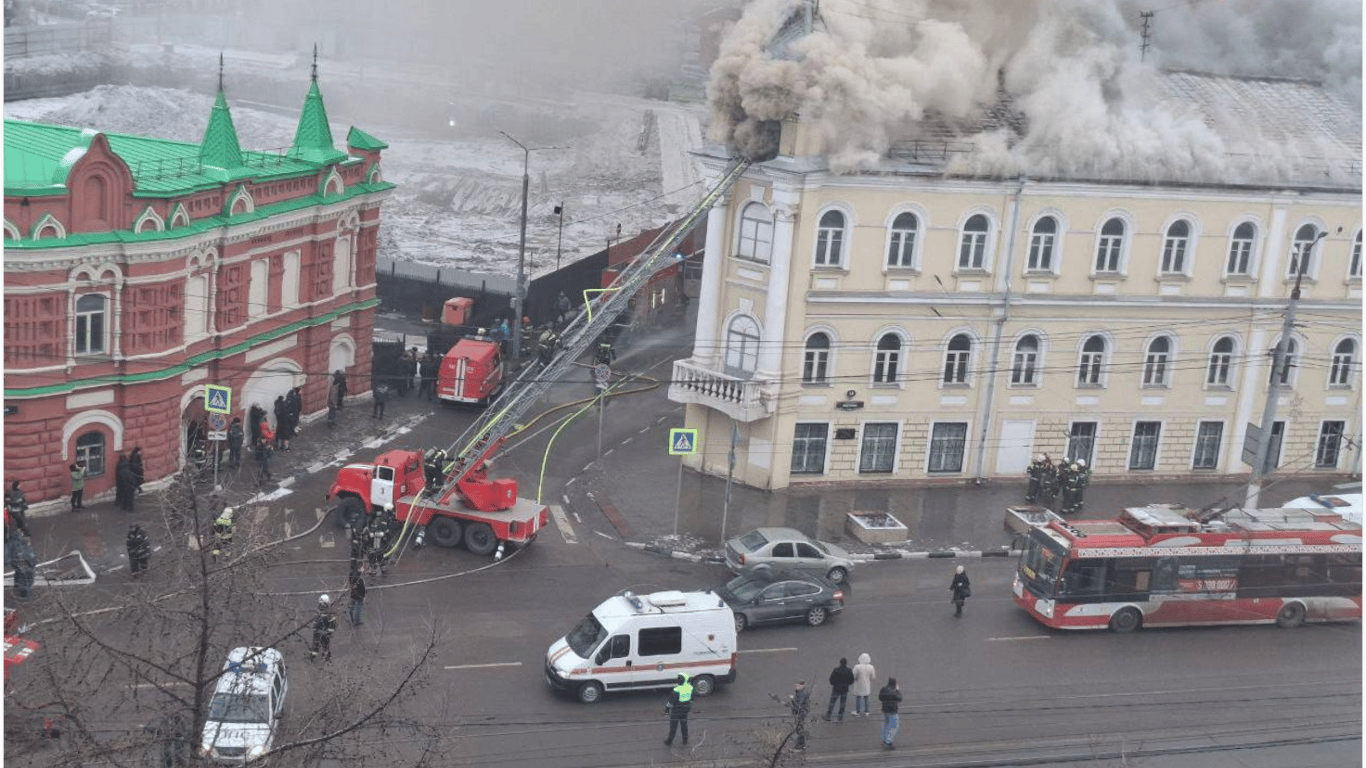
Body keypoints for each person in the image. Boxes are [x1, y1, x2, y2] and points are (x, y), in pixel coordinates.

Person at [663, 672, 692, 747]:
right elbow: (692, 699)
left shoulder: (677, 689)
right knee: (684, 724)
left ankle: (669, 741)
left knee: (673, 726)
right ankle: (685, 740)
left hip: (677, 710)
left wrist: (667, 709)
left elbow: (671, 701)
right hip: (686, 708)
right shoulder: (690, 687)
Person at [309, 594, 339, 662]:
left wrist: (329, 631)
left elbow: (333, 623)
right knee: (316, 642)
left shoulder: (330, 612)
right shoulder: (320, 610)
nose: (323, 605)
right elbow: (317, 619)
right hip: (319, 629)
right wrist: (315, 627)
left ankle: (326, 656)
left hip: (325, 631)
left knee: (325, 643)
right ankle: (313, 656)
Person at [879, 678, 903, 749]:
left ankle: (884, 740)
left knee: (885, 725)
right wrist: (898, 690)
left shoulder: (883, 689)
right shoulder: (894, 691)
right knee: (894, 726)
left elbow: (880, 698)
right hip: (892, 711)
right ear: (894, 684)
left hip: (885, 710)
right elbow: (899, 698)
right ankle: (888, 742)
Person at [788, 679, 811, 751]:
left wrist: (792, 700)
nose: (795, 687)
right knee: (800, 728)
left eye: (797, 685)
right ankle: (801, 744)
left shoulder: (802, 694)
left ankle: (800, 745)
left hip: (800, 713)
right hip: (801, 712)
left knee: (800, 729)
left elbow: (799, 706)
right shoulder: (801, 692)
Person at [851, 652, 876, 718]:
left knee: (858, 698)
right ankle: (867, 711)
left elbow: (853, 676)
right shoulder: (871, 667)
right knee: (866, 698)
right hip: (867, 684)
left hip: (859, 684)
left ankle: (858, 712)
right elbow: (873, 677)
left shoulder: (857, 667)